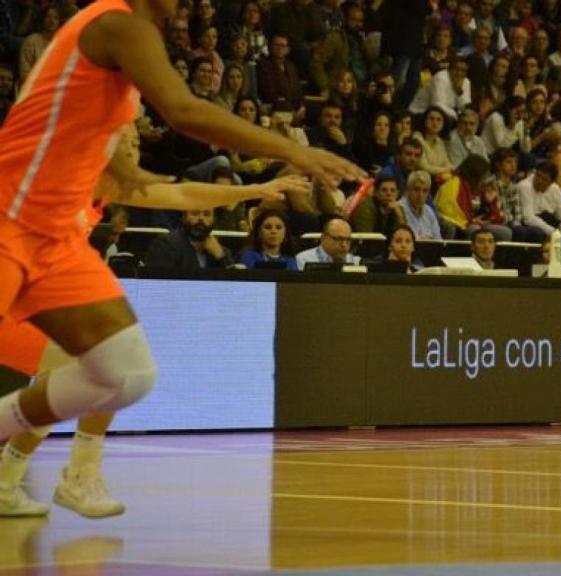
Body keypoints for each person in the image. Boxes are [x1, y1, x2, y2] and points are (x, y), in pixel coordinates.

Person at [0, 0, 362, 462]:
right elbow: (184, 112)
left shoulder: (111, 88)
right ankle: (56, 471)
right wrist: (294, 148)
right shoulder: (120, 26)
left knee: (127, 373)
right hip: (11, 210)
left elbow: (172, 184)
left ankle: (30, 467)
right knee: (86, 370)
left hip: (51, 240)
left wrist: (256, 188)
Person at [0, 146, 311, 518]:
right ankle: (75, 474)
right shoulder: (53, 176)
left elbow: (184, 194)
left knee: (70, 382)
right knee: (104, 366)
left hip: (30, 302)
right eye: (127, 140)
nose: (134, 149)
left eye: (135, 142)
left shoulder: (105, 187)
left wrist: (253, 190)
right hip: (12, 297)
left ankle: (12, 481)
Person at [296, 217, 361, 269]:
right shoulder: (304, 259)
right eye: (338, 239)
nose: (344, 244)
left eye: (348, 240)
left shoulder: (356, 262)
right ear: (323, 238)